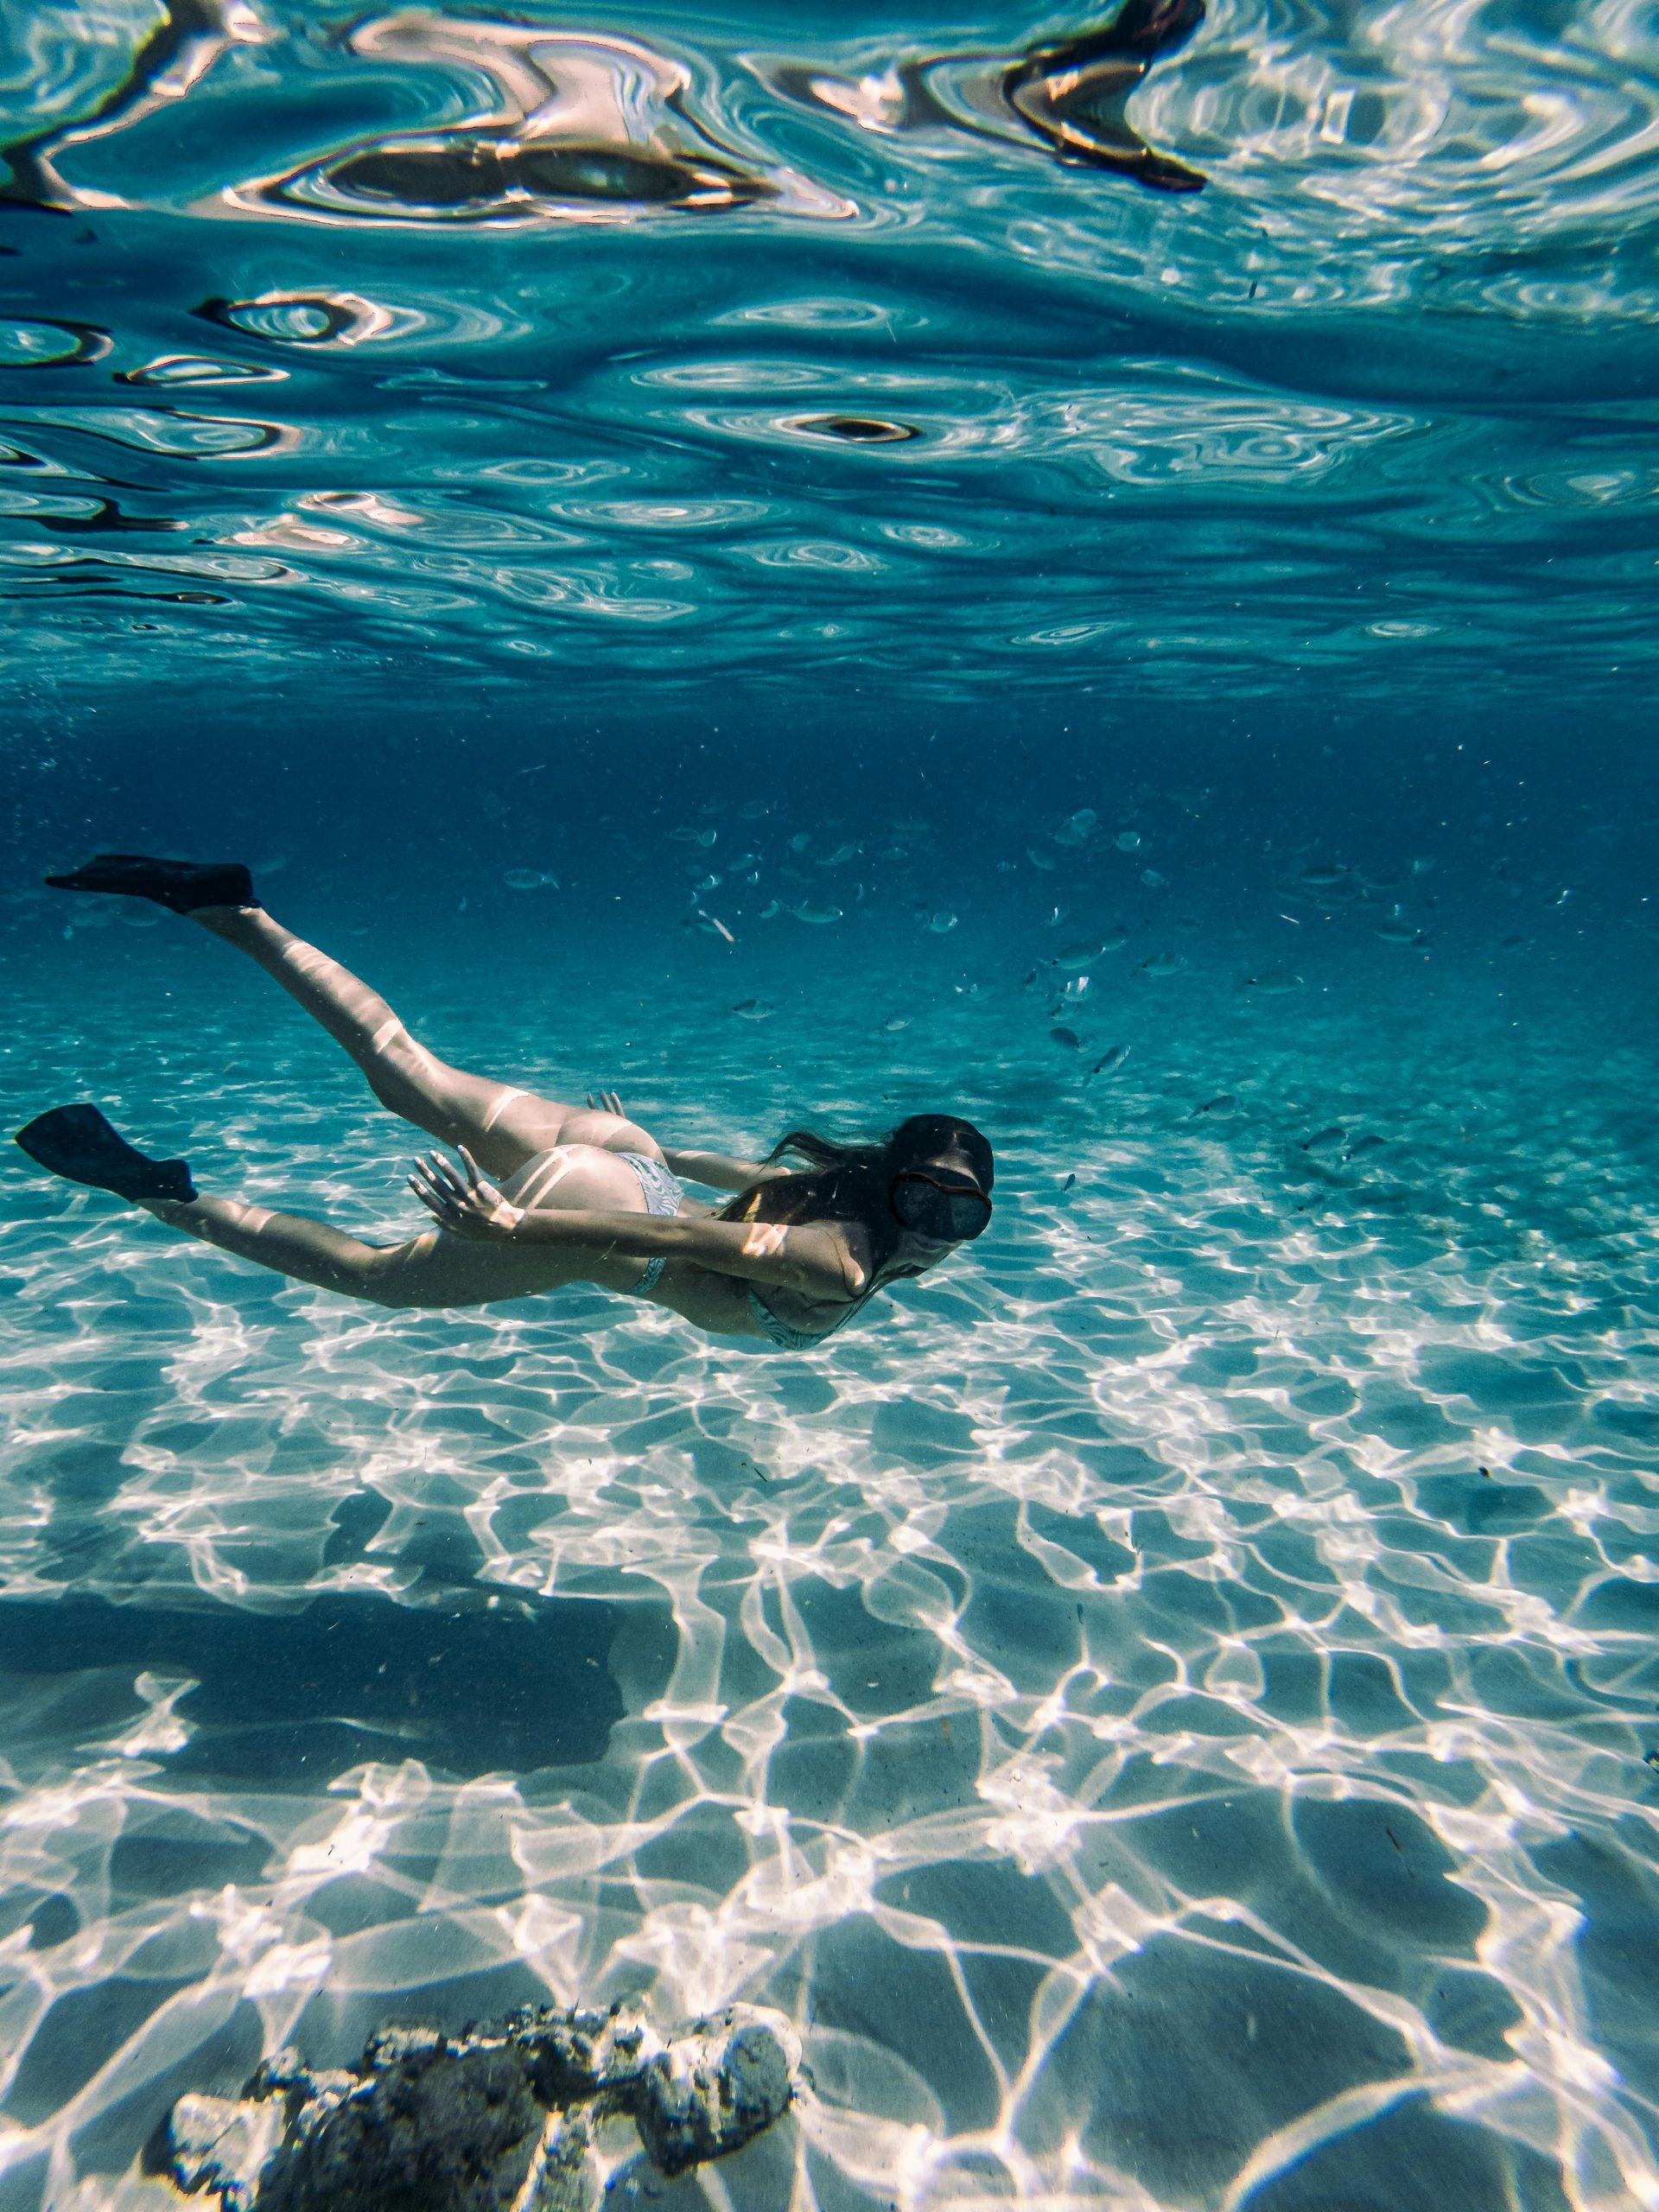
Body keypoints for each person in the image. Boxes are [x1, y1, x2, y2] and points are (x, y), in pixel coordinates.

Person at [16, 855, 995, 1348]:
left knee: (405, 1066)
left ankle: (233, 910)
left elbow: (726, 1180)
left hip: (625, 1154)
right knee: (373, 1275)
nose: (935, 1229)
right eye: (928, 1201)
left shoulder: (844, 1188)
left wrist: (645, 1149)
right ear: (892, 1183)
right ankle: (163, 1193)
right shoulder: (844, 1265)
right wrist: (525, 1225)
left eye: (959, 1216)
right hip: (610, 1213)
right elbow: (692, 1239)